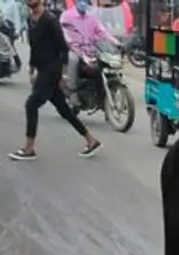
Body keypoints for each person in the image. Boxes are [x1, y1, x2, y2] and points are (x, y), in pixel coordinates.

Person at [9, 0, 101, 160]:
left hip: (52, 69)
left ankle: (29, 149)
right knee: (64, 109)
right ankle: (91, 140)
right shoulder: (30, 20)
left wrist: (63, 73)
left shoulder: (50, 20)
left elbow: (63, 48)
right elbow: (35, 46)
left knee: (31, 105)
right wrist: (32, 66)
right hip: (42, 68)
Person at [60, 0, 116, 93]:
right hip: (75, 49)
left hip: (92, 50)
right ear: (75, 2)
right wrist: (75, 45)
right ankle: (72, 90)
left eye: (85, 1)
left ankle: (101, 88)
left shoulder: (92, 16)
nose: (83, 3)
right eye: (80, 1)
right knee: (73, 58)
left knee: (106, 60)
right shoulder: (67, 16)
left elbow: (102, 31)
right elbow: (67, 35)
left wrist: (115, 42)